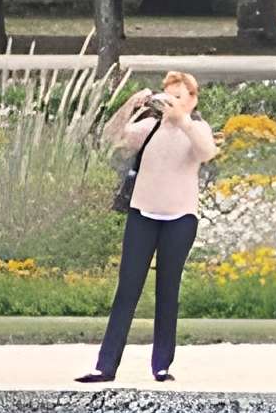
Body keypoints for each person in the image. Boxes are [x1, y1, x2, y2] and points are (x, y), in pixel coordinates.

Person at [81, 70, 219, 384]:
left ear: (192, 100)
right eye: (166, 96)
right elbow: (110, 137)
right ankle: (105, 366)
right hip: (143, 215)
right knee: (127, 288)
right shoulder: (151, 127)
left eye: (178, 97)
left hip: (180, 219)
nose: (170, 104)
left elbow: (207, 152)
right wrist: (130, 105)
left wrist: (182, 119)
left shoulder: (197, 127)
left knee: (167, 290)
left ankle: (162, 365)